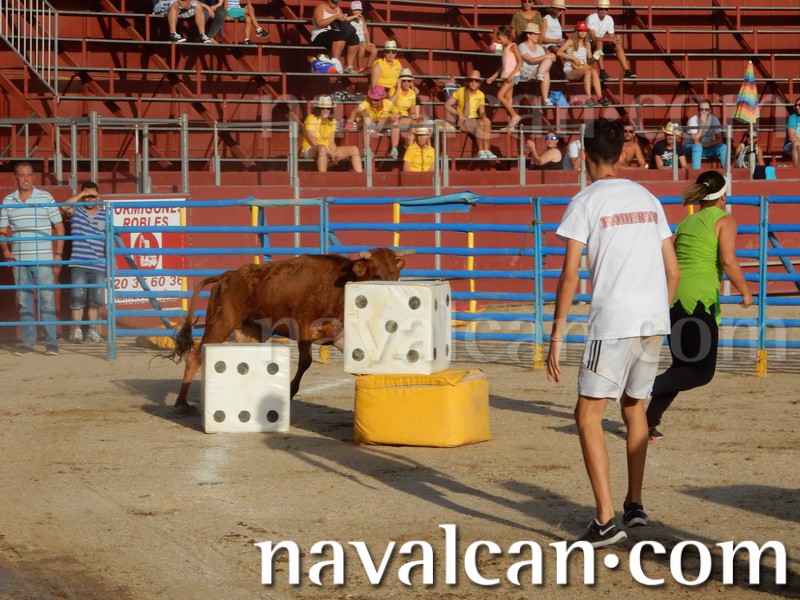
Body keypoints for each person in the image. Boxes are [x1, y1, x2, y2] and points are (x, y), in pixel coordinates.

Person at [546, 118, 680, 547]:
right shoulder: (647, 197)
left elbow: (569, 274)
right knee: (634, 407)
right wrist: (658, 312)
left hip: (614, 320)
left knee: (587, 416)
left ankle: (604, 521)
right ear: (622, 153)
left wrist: (556, 335)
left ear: (584, 155)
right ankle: (634, 505)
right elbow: (672, 270)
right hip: (652, 318)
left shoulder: (585, 201)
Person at [646, 171, 753, 441]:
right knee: (700, 373)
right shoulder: (725, 220)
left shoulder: (687, 221)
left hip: (674, 298)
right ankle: (637, 387)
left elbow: (668, 256)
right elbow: (728, 261)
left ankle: (648, 421)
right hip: (699, 301)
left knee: (682, 366)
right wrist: (745, 290)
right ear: (723, 195)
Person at [0, 162, 65, 356]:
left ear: (34, 177)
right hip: (19, 260)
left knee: (47, 300)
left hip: (43, 258)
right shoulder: (8, 200)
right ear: (15, 178)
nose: (26, 178)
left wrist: (58, 254)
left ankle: (51, 343)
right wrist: (6, 252)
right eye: (22, 175)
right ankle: (28, 343)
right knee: (24, 302)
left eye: (29, 175)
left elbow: (59, 227)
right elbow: (2, 231)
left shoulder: (46, 197)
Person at [60, 182, 107, 344]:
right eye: (87, 196)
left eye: (93, 196)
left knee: (96, 301)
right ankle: (77, 331)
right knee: (77, 299)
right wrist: (82, 194)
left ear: (98, 197)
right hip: (78, 262)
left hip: (98, 263)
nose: (89, 199)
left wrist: (112, 259)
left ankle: (92, 331)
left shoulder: (105, 214)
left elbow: (110, 237)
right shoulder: (77, 211)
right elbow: (64, 206)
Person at [444, 70, 496, 160]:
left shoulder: (480, 94)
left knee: (487, 122)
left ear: (479, 83)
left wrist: (485, 117)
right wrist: (459, 114)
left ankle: (487, 150)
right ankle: (480, 151)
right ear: (468, 81)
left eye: (476, 81)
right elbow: (447, 105)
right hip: (462, 120)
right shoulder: (461, 91)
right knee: (479, 124)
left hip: (474, 119)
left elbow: (482, 111)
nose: (473, 82)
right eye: (471, 80)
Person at [302, 96, 363, 172]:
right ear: (318, 109)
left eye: (328, 108)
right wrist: (331, 153)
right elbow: (313, 142)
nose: (326, 111)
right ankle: (323, 176)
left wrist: (334, 154)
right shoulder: (311, 119)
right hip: (310, 149)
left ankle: (360, 177)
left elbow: (331, 142)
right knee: (322, 148)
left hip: (328, 149)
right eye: (323, 108)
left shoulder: (332, 120)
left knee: (354, 149)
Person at [557, 21, 609, 107]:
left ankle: (600, 97)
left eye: (584, 31)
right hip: (570, 69)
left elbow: (589, 61)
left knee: (593, 71)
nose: (583, 33)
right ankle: (588, 98)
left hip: (582, 68)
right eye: (580, 31)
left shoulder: (587, 43)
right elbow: (559, 52)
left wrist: (596, 56)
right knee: (587, 71)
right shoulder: (570, 41)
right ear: (577, 32)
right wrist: (573, 58)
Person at [586, 0, 636, 81]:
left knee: (617, 44)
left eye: (606, 9)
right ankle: (602, 71)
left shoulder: (609, 19)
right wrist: (609, 39)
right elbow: (593, 37)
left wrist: (615, 40)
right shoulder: (591, 18)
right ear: (597, 9)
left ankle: (627, 70)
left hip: (599, 43)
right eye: (601, 9)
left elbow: (612, 36)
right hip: (589, 44)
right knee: (599, 43)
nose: (603, 11)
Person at [486, 26, 523, 132]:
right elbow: (502, 67)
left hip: (513, 76)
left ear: (506, 37)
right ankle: (511, 125)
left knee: (500, 95)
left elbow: (520, 62)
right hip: (506, 76)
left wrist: (512, 75)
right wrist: (493, 77)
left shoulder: (513, 46)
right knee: (507, 100)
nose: (499, 41)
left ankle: (515, 116)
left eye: (500, 39)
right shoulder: (504, 49)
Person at [349, 85, 401, 158]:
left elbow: (399, 113)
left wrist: (398, 115)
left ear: (382, 99)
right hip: (366, 123)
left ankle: (394, 150)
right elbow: (354, 111)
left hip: (380, 124)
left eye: (376, 100)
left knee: (395, 121)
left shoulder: (388, 103)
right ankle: (367, 150)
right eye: (372, 99)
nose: (373, 101)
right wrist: (350, 121)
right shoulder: (367, 102)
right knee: (367, 120)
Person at [311, 0, 359, 74]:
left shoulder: (338, 9)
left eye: (337, 2)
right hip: (320, 35)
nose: (335, 3)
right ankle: (335, 63)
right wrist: (335, 17)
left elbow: (341, 23)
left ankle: (349, 66)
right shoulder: (320, 7)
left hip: (336, 33)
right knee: (340, 35)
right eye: (333, 1)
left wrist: (344, 19)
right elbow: (319, 24)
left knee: (354, 37)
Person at [517, 23, 557, 108]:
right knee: (547, 61)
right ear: (528, 35)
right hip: (527, 72)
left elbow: (545, 60)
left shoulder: (539, 47)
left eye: (538, 34)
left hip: (539, 71)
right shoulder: (522, 46)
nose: (537, 36)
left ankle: (545, 99)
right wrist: (547, 56)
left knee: (547, 70)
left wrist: (551, 57)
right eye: (535, 34)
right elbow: (530, 60)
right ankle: (540, 76)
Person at [685, 99, 727, 170]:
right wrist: (702, 124)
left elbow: (719, 140)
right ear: (698, 110)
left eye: (706, 110)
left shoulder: (714, 119)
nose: (704, 111)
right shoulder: (692, 120)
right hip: (691, 147)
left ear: (710, 110)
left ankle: (727, 171)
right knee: (697, 146)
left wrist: (707, 144)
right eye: (701, 109)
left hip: (707, 147)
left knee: (723, 147)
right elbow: (696, 141)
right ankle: (696, 173)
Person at [390, 68, 421, 147]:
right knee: (411, 123)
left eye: (409, 81)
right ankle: (405, 146)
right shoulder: (393, 89)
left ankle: (409, 145)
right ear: (400, 81)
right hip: (393, 116)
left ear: (411, 82)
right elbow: (389, 104)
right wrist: (398, 89)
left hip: (404, 117)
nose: (406, 83)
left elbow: (412, 111)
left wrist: (413, 115)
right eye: (404, 81)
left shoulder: (412, 93)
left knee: (416, 123)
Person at [346, 0, 377, 72]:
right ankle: (359, 67)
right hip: (355, 41)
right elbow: (345, 20)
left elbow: (365, 31)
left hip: (363, 40)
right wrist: (354, 16)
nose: (358, 12)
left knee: (374, 50)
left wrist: (368, 42)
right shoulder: (349, 18)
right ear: (351, 11)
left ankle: (368, 67)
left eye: (359, 10)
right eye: (355, 10)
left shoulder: (362, 19)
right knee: (362, 49)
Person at [784, 97, 800, 167]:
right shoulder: (793, 118)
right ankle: (798, 169)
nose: (797, 107)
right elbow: (792, 137)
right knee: (797, 145)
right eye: (795, 105)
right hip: (791, 146)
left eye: (799, 105)